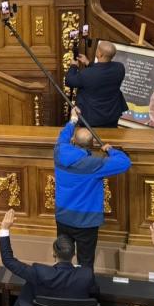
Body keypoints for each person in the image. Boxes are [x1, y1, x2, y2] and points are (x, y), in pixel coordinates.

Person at [52, 108, 131, 268]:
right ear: (92, 145)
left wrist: (73, 120)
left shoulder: (59, 153)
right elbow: (125, 162)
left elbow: (62, 137)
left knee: (62, 258)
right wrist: (110, 150)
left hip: (63, 217)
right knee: (85, 262)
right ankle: (84, 289)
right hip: (86, 222)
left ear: (73, 141)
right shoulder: (94, 164)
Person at [0, 209, 99, 306]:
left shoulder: (40, 273)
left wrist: (4, 228)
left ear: (53, 254)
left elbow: (8, 260)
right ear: (74, 254)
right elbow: (95, 294)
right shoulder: (86, 276)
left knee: (29, 288)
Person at [64, 40, 127, 128]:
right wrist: (88, 63)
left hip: (90, 118)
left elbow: (69, 81)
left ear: (100, 54)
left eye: (97, 49)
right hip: (111, 115)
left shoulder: (87, 74)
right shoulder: (120, 68)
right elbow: (102, 70)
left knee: (89, 140)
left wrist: (74, 66)